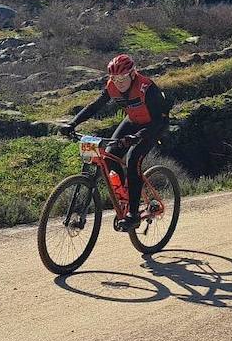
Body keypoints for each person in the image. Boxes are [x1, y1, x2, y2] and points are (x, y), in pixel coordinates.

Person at [64, 54, 170, 231]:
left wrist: (137, 137)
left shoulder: (147, 87)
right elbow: (94, 106)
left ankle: (133, 214)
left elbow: (160, 120)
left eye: (122, 78)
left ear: (133, 74)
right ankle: (126, 197)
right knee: (109, 156)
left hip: (154, 125)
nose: (118, 82)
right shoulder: (112, 86)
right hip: (133, 120)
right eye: (114, 78)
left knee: (133, 158)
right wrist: (73, 123)